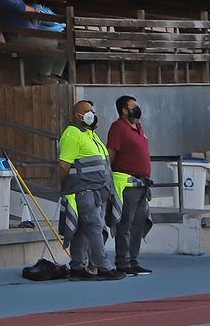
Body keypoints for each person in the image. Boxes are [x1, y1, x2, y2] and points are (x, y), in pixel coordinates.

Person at [58, 100, 121, 281]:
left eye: (92, 111)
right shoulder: (72, 134)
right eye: (87, 111)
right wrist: (62, 185)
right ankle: (103, 267)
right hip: (84, 190)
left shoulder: (91, 135)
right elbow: (63, 165)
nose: (91, 114)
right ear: (77, 115)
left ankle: (78, 266)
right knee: (95, 227)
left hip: (98, 191)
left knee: (83, 230)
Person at [106, 96, 152, 276]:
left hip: (142, 184)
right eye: (134, 107)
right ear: (124, 110)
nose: (137, 109)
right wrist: (107, 180)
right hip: (126, 184)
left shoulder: (139, 128)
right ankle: (122, 261)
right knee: (125, 223)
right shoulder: (118, 127)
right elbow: (111, 154)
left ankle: (133, 259)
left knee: (138, 224)